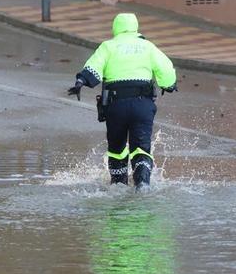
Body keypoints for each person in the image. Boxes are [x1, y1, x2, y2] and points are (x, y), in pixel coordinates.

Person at [68, 13, 177, 190]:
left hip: (115, 105)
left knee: (116, 148)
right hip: (142, 105)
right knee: (141, 148)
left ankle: (118, 186)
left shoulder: (108, 47)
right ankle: (142, 184)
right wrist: (169, 84)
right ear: (136, 27)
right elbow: (166, 69)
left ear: (115, 28)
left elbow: (93, 66)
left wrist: (81, 81)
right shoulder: (147, 47)